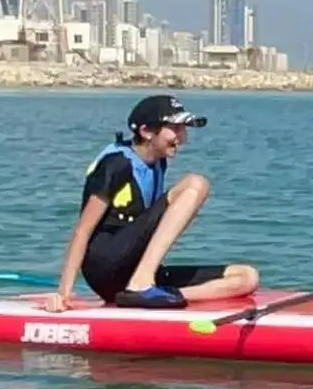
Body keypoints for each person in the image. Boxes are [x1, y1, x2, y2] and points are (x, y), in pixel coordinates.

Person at [45, 94, 260, 312]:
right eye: (175, 129)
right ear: (146, 132)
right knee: (196, 184)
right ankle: (141, 285)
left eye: (183, 129)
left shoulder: (159, 163)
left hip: (133, 270)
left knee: (246, 277)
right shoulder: (116, 164)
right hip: (105, 264)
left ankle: (156, 295)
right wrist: (63, 293)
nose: (182, 138)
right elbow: (82, 231)